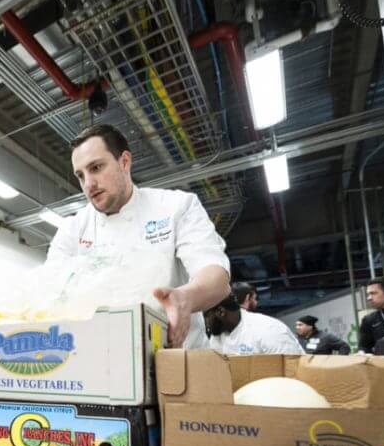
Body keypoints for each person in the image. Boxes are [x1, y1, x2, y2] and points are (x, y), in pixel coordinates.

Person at [47, 124, 230, 347]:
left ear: (124, 162)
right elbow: (52, 291)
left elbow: (216, 276)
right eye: (80, 175)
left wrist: (186, 298)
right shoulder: (72, 229)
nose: (88, 184)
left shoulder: (176, 206)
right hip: (104, 361)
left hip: (175, 362)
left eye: (96, 168)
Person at [203, 294, 304, 355]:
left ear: (221, 312)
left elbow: (291, 373)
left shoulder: (268, 330)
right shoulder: (217, 335)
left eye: (205, 316)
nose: (204, 323)